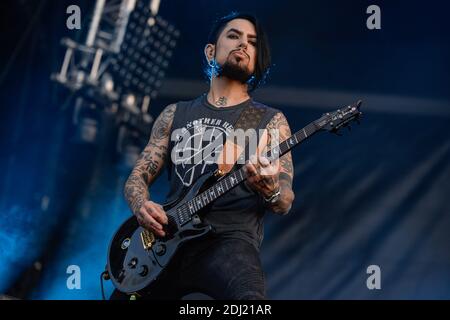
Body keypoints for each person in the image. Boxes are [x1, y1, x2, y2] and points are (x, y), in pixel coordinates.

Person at [111, 12, 295, 300]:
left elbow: (285, 201)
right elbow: (137, 177)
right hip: (165, 240)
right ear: (211, 50)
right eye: (233, 36)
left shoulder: (270, 121)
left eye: (252, 42)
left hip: (230, 242)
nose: (243, 45)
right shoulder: (174, 114)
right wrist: (142, 205)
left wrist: (271, 191)